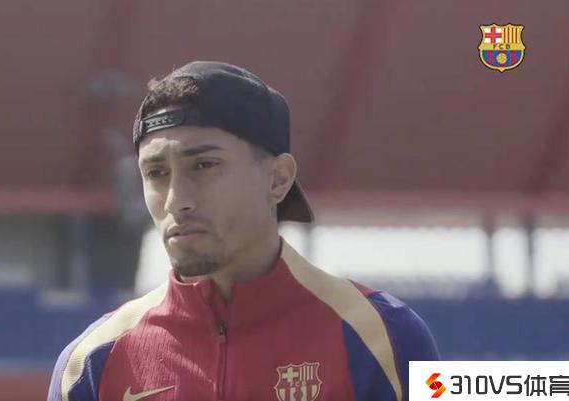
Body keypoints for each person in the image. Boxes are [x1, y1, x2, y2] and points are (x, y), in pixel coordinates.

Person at [46, 61, 440, 401]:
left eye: (204, 165)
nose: (176, 200)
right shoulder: (90, 363)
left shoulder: (386, 334)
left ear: (278, 179)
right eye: (156, 173)